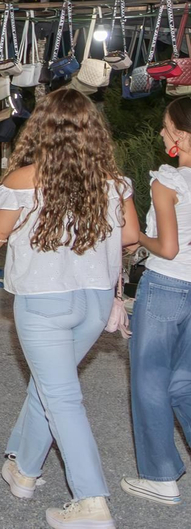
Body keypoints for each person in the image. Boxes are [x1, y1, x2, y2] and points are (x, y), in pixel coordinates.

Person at [0, 88, 140, 529]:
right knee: (50, 387)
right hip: (95, 303)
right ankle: (24, 470)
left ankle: (91, 501)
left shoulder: (22, 180)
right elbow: (131, 238)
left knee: (62, 397)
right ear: (93, 131)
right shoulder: (113, 182)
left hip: (44, 301)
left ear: (42, 130)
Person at [124, 95, 191, 507]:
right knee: (184, 381)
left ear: (181, 135)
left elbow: (167, 248)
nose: (162, 134)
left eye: (166, 127)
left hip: (166, 286)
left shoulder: (168, 181)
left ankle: (160, 476)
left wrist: (137, 241)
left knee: (149, 380)